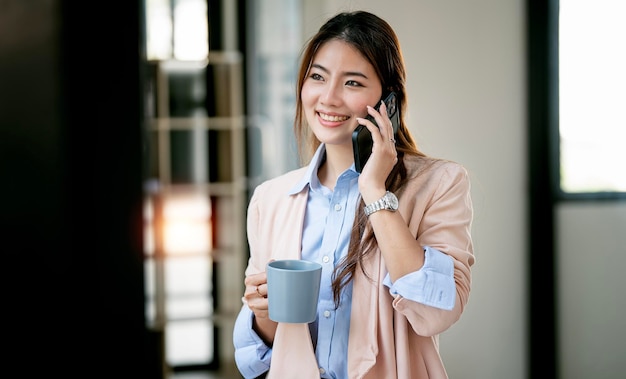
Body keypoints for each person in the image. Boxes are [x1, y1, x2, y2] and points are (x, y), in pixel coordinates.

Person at [233, 10, 475, 379]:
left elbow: (437, 311)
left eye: (352, 83)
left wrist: (375, 190)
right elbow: (256, 360)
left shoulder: (440, 183)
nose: (328, 98)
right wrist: (264, 315)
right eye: (317, 77)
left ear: (388, 102)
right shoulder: (271, 199)